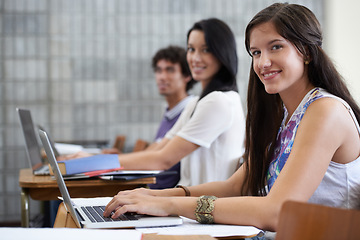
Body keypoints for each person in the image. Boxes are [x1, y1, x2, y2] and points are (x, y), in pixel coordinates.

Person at [103, 3, 360, 232]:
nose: (263, 62)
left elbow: (277, 211)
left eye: (276, 47)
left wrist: (170, 204)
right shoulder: (283, 115)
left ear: (307, 51)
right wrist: (157, 197)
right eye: (256, 52)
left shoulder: (325, 110)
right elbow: (236, 187)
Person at [66, 18, 246, 187]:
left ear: (222, 53)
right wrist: (93, 160)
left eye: (205, 50)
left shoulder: (219, 101)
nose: (195, 58)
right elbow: (158, 148)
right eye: (191, 49)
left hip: (206, 210)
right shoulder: (198, 102)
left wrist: (91, 162)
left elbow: (163, 159)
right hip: (189, 203)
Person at [104, 45, 197, 189]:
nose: (162, 77)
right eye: (158, 70)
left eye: (170, 70)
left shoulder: (191, 110)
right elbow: (153, 152)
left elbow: (160, 158)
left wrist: (107, 161)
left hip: (169, 195)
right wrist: (120, 157)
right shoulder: (170, 112)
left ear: (187, 75)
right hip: (149, 189)